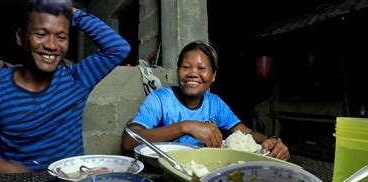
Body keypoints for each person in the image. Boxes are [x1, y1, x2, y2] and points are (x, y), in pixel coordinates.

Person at [0, 0, 131, 175]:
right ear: (20, 37)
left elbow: (118, 48)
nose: (51, 45)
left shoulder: (77, 79)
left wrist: (69, 11)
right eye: (41, 34)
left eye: (61, 37)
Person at [122, 40, 289, 160]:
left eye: (202, 68)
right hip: (165, 171)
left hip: (203, 170)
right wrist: (185, 127)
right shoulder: (160, 100)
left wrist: (272, 141)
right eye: (186, 67)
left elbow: (247, 133)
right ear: (178, 71)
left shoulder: (215, 104)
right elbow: (129, 142)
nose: (193, 73)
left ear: (213, 75)